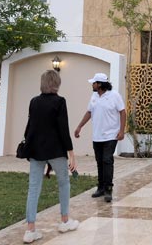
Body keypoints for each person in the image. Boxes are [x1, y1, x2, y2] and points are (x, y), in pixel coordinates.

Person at [22, 70, 79, 243]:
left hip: (36, 151)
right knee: (63, 183)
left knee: (33, 188)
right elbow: (63, 128)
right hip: (56, 151)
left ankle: (30, 230)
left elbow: (30, 126)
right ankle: (65, 221)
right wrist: (71, 153)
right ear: (56, 84)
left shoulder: (34, 101)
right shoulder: (60, 102)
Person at [74, 72, 126, 203]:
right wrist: (79, 126)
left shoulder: (114, 96)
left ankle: (108, 189)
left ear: (100, 84)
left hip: (111, 135)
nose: (92, 85)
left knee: (107, 160)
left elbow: (122, 112)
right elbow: (89, 112)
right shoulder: (94, 96)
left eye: (94, 83)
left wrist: (121, 131)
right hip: (97, 136)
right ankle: (101, 187)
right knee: (99, 161)